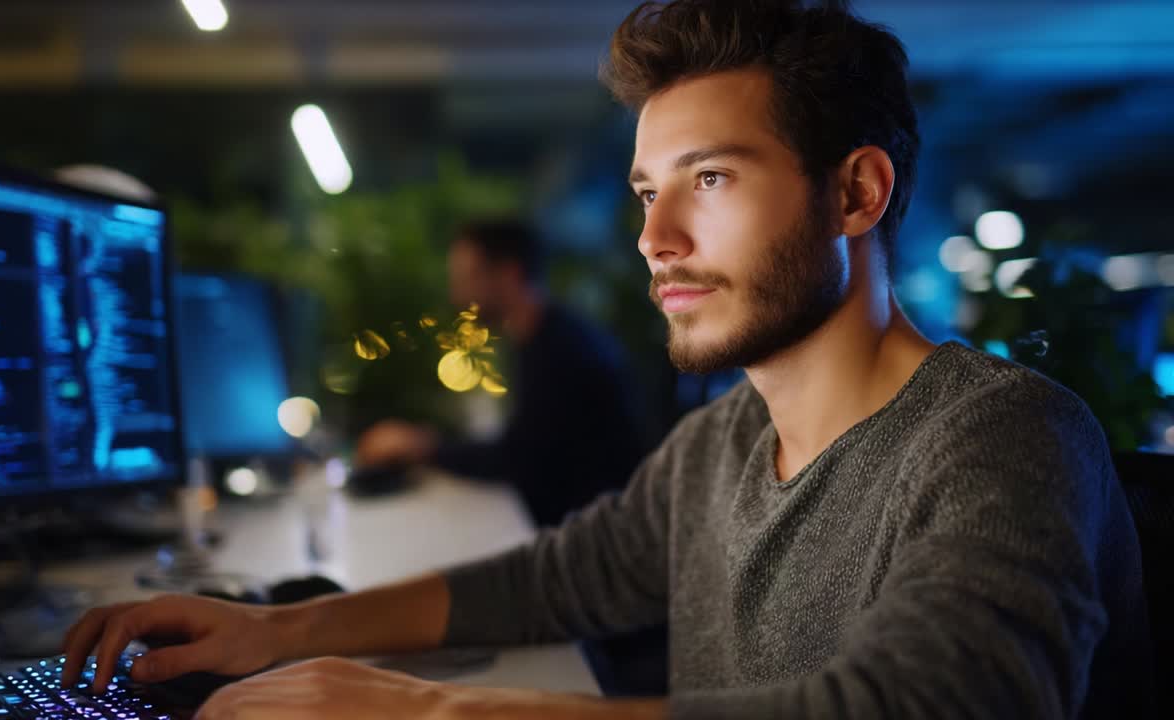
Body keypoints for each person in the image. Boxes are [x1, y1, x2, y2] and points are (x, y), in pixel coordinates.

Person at [60, 1, 1152, 717]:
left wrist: (432, 712)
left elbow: (930, 706)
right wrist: (274, 628)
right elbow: (549, 580)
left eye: (709, 179)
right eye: (645, 192)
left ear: (856, 194)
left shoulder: (1002, 435)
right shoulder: (720, 443)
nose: (654, 237)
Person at [355, 218, 658, 528]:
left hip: (596, 535)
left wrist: (420, 445)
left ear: (510, 273)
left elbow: (518, 459)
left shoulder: (562, 351)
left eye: (468, 277)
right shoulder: (542, 336)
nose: (457, 295)